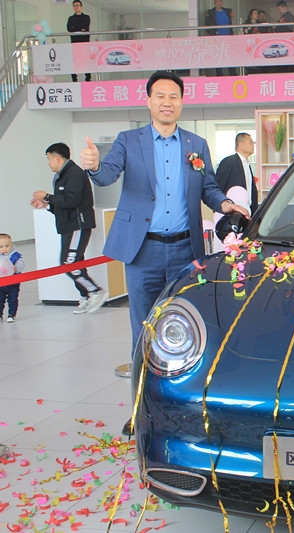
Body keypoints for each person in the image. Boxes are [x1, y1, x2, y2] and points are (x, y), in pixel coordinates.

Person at [79, 71, 250, 434]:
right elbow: (107, 174)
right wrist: (93, 166)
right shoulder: (129, 140)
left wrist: (226, 204)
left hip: (186, 251)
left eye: (173, 96)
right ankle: (141, 411)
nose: (167, 102)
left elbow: (208, 188)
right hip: (143, 251)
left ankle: (183, 410)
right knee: (143, 332)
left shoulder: (196, 144)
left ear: (182, 102)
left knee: (187, 328)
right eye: (160, 96)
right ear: (148, 101)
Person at [31, 143, 105, 314]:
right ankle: (86, 296)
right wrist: (46, 205)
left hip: (77, 226)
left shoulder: (74, 174)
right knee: (75, 262)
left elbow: (72, 200)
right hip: (68, 226)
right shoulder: (62, 176)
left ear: (57, 158)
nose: (48, 163)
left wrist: (47, 196)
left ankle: (95, 291)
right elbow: (64, 204)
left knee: (68, 263)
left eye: (49, 159)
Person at [215, 133, 258, 214]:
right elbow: (218, 186)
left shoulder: (247, 165)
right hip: (232, 212)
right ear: (241, 145)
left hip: (248, 211)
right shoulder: (228, 162)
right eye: (250, 142)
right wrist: (219, 206)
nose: (253, 145)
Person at [204, 0, 236, 76]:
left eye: (220, 1)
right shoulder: (210, 12)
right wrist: (214, 33)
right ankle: (219, 74)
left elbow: (230, 23)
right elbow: (207, 26)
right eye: (217, 1)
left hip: (228, 37)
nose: (219, 3)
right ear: (214, 3)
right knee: (218, 56)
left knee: (230, 55)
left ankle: (232, 73)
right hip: (217, 38)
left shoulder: (228, 11)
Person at [0, 233, 24, 323]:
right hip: (1, 283)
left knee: (13, 299)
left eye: (7, 246)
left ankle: (12, 314)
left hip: (13, 282)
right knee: (0, 299)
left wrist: (16, 268)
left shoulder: (15, 255)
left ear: (11, 245)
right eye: (1, 247)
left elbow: (21, 263)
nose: (4, 249)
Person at [67, 0, 91, 82]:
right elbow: (69, 29)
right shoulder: (71, 18)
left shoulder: (86, 17)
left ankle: (88, 78)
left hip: (85, 42)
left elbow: (86, 27)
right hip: (75, 42)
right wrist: (80, 28)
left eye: (77, 5)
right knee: (74, 61)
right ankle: (74, 79)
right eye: (74, 5)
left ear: (81, 7)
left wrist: (75, 27)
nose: (76, 7)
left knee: (86, 61)